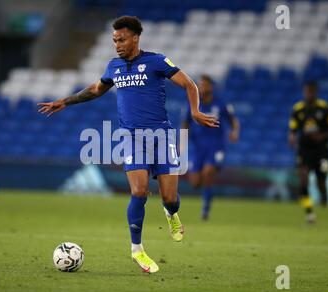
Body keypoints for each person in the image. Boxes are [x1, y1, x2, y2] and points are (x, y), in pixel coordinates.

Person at [38, 16, 218, 273]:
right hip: (131, 138)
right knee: (139, 192)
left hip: (162, 137)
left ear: (135, 38)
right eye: (114, 41)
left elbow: (188, 83)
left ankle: (171, 214)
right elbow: (96, 89)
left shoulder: (156, 61)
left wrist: (196, 111)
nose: (117, 45)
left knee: (169, 198)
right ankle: (137, 250)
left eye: (121, 39)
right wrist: (65, 101)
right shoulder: (114, 67)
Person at [182, 75, 239, 221]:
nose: (201, 87)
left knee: (208, 172)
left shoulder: (221, 104)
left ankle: (205, 210)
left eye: (204, 85)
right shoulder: (194, 103)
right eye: (200, 85)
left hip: (216, 145)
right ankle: (205, 189)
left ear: (211, 87)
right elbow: (185, 123)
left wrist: (234, 132)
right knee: (195, 182)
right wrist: (182, 143)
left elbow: (233, 120)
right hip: (198, 146)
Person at [288, 81, 328, 224]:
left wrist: (323, 136)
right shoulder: (298, 109)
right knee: (303, 179)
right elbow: (293, 128)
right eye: (306, 91)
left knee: (320, 181)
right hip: (304, 149)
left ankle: (324, 194)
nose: (308, 94)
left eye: (311, 91)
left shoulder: (325, 108)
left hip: (322, 150)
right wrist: (292, 137)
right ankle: (309, 213)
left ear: (315, 93)